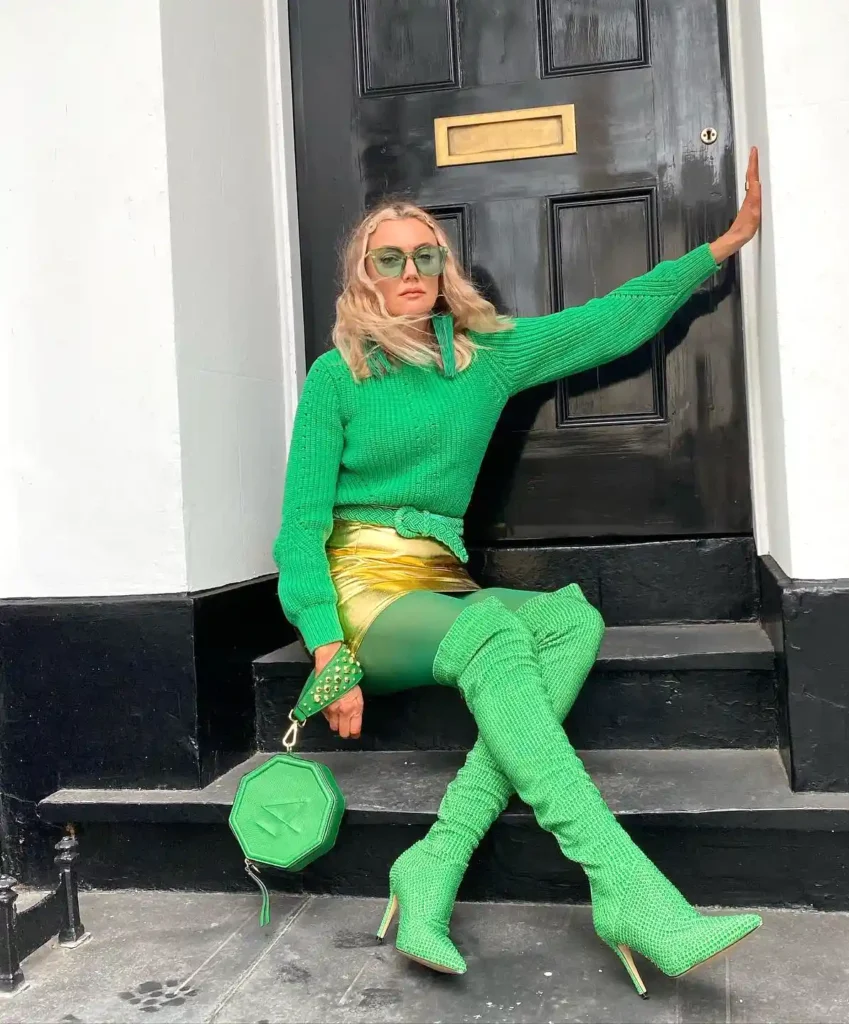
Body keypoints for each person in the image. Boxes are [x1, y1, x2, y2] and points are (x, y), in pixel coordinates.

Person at [274, 150, 763, 997]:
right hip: (361, 591)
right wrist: (324, 645)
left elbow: (606, 323)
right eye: (389, 258)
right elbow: (299, 531)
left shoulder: (483, 356)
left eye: (424, 255)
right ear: (365, 277)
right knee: (495, 632)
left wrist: (718, 248)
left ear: (443, 267)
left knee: (572, 620)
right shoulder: (338, 376)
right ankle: (627, 887)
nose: (410, 271)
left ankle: (435, 858)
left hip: (439, 585)